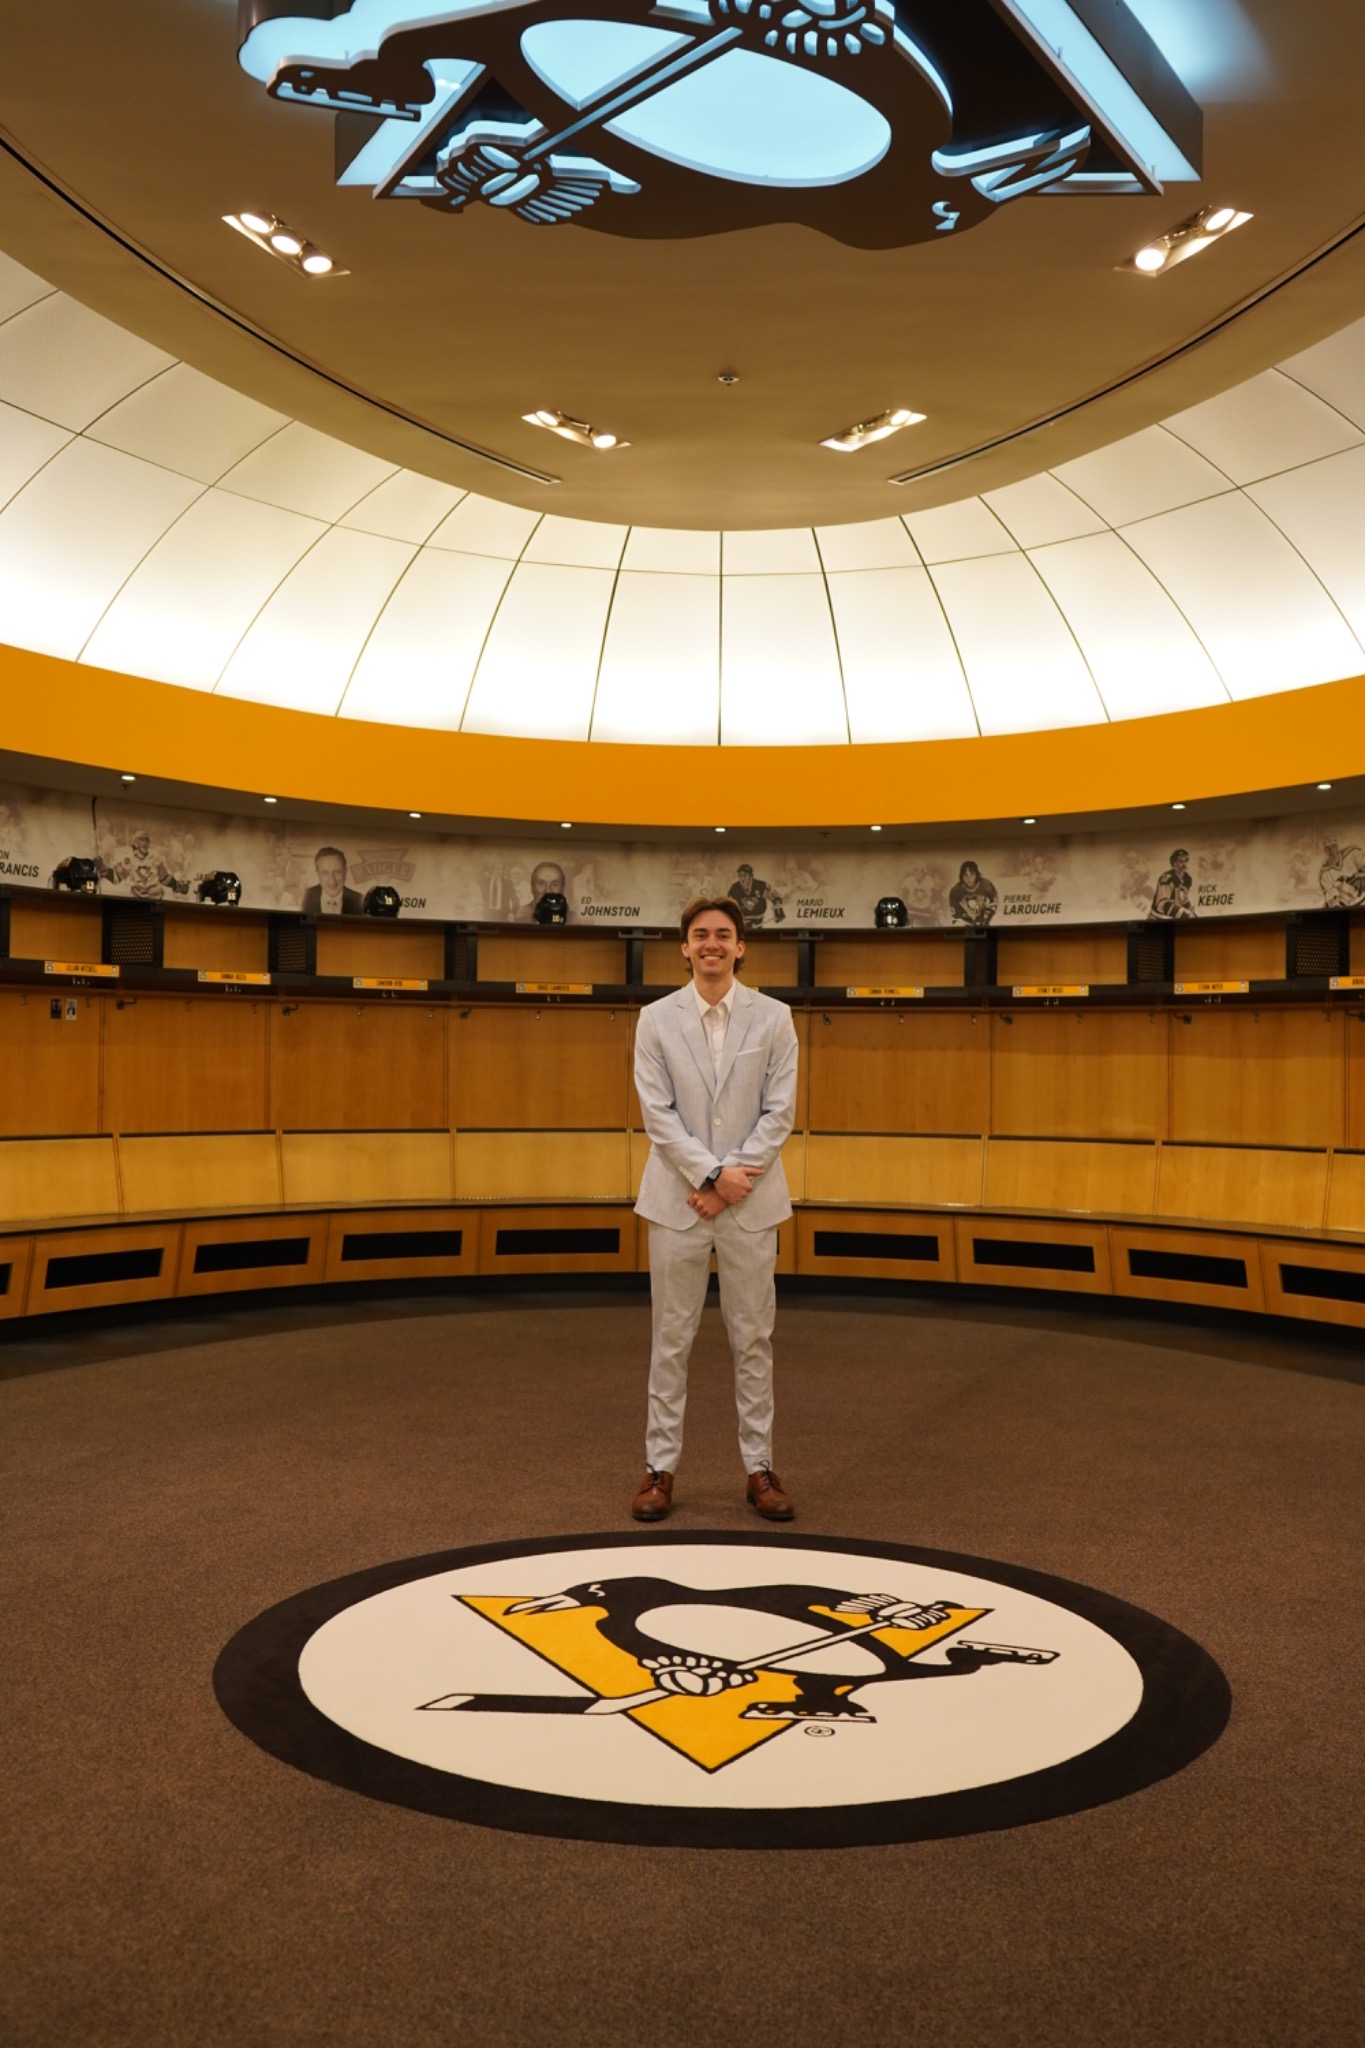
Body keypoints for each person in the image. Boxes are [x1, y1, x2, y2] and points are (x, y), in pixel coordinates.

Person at [631, 895, 800, 1523]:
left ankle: (759, 1469)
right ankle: (659, 1470)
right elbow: (658, 1115)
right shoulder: (654, 1019)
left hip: (749, 1204)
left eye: (723, 935)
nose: (711, 944)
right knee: (670, 1341)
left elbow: (778, 1113)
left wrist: (730, 1181)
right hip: (679, 1201)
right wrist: (709, 1176)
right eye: (700, 934)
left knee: (752, 1340)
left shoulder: (775, 1018)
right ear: (684, 946)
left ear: (740, 946)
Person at [302, 846, 362, 915]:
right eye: (325, 873)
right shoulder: (305, 897)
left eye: (337, 872)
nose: (332, 880)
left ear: (345, 872)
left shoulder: (359, 900)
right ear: (317, 873)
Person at [728, 862, 783, 927]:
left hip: (758, 920)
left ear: (751, 876)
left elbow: (775, 899)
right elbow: (729, 905)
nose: (742, 879)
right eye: (740, 876)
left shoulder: (760, 886)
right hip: (742, 922)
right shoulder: (735, 888)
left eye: (745, 875)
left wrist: (778, 911)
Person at [948, 859, 997, 927]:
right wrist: (965, 924)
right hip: (965, 925)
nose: (969, 878)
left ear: (977, 875)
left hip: (983, 923)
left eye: (972, 874)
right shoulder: (956, 891)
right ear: (961, 876)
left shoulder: (985, 884)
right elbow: (955, 916)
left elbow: (994, 902)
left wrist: (985, 918)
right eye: (965, 875)